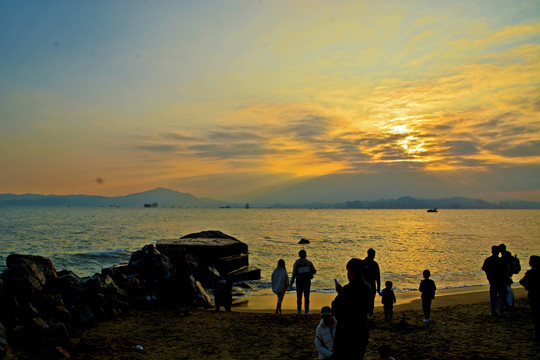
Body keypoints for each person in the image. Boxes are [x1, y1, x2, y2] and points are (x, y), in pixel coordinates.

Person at [331, 258, 373, 359]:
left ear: (350, 271)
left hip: (347, 331)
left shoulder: (348, 289)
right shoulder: (367, 287)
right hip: (361, 330)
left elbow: (335, 308)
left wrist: (341, 292)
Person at [482, 245, 507, 316]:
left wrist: (489, 275)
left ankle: (493, 311)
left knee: (493, 297)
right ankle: (500, 311)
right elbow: (505, 271)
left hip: (493, 280)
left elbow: (484, 269)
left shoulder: (488, 260)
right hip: (501, 280)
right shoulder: (501, 260)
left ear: (492, 251)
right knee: (501, 296)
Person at [519, 255, 540, 342]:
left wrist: (528, 286)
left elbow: (522, 281)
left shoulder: (531, 272)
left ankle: (537, 335)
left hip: (534, 295)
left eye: (530, 260)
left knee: (536, 316)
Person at [290, 250, 317, 315]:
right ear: (305, 255)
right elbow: (314, 271)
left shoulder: (296, 263)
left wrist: (291, 282)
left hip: (299, 281)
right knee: (306, 296)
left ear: (299, 255)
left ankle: (299, 311)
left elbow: (294, 273)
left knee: (299, 296)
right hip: (307, 281)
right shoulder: (309, 263)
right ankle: (306, 311)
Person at [363, 248, 381, 320]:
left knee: (368, 300)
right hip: (367, 284)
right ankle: (369, 314)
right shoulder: (364, 263)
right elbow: (378, 277)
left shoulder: (374, 264)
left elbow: (378, 276)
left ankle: (369, 314)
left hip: (368, 284)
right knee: (368, 300)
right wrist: (378, 287)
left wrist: (378, 287)